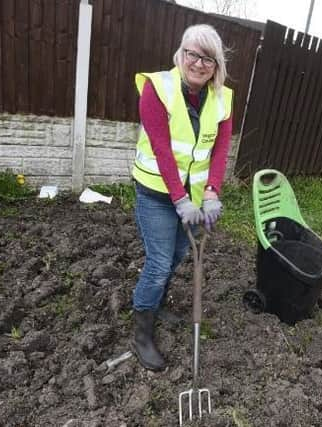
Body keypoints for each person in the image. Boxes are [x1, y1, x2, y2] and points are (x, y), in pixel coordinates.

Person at [130, 24, 233, 371]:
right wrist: (179, 198)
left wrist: (212, 192)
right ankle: (141, 334)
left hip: (193, 196)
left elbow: (220, 150)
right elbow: (161, 149)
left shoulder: (222, 98)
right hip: (157, 193)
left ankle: (155, 305)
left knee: (176, 256)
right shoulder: (157, 88)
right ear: (181, 53)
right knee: (159, 263)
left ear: (216, 65)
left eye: (208, 58)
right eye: (193, 53)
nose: (199, 63)